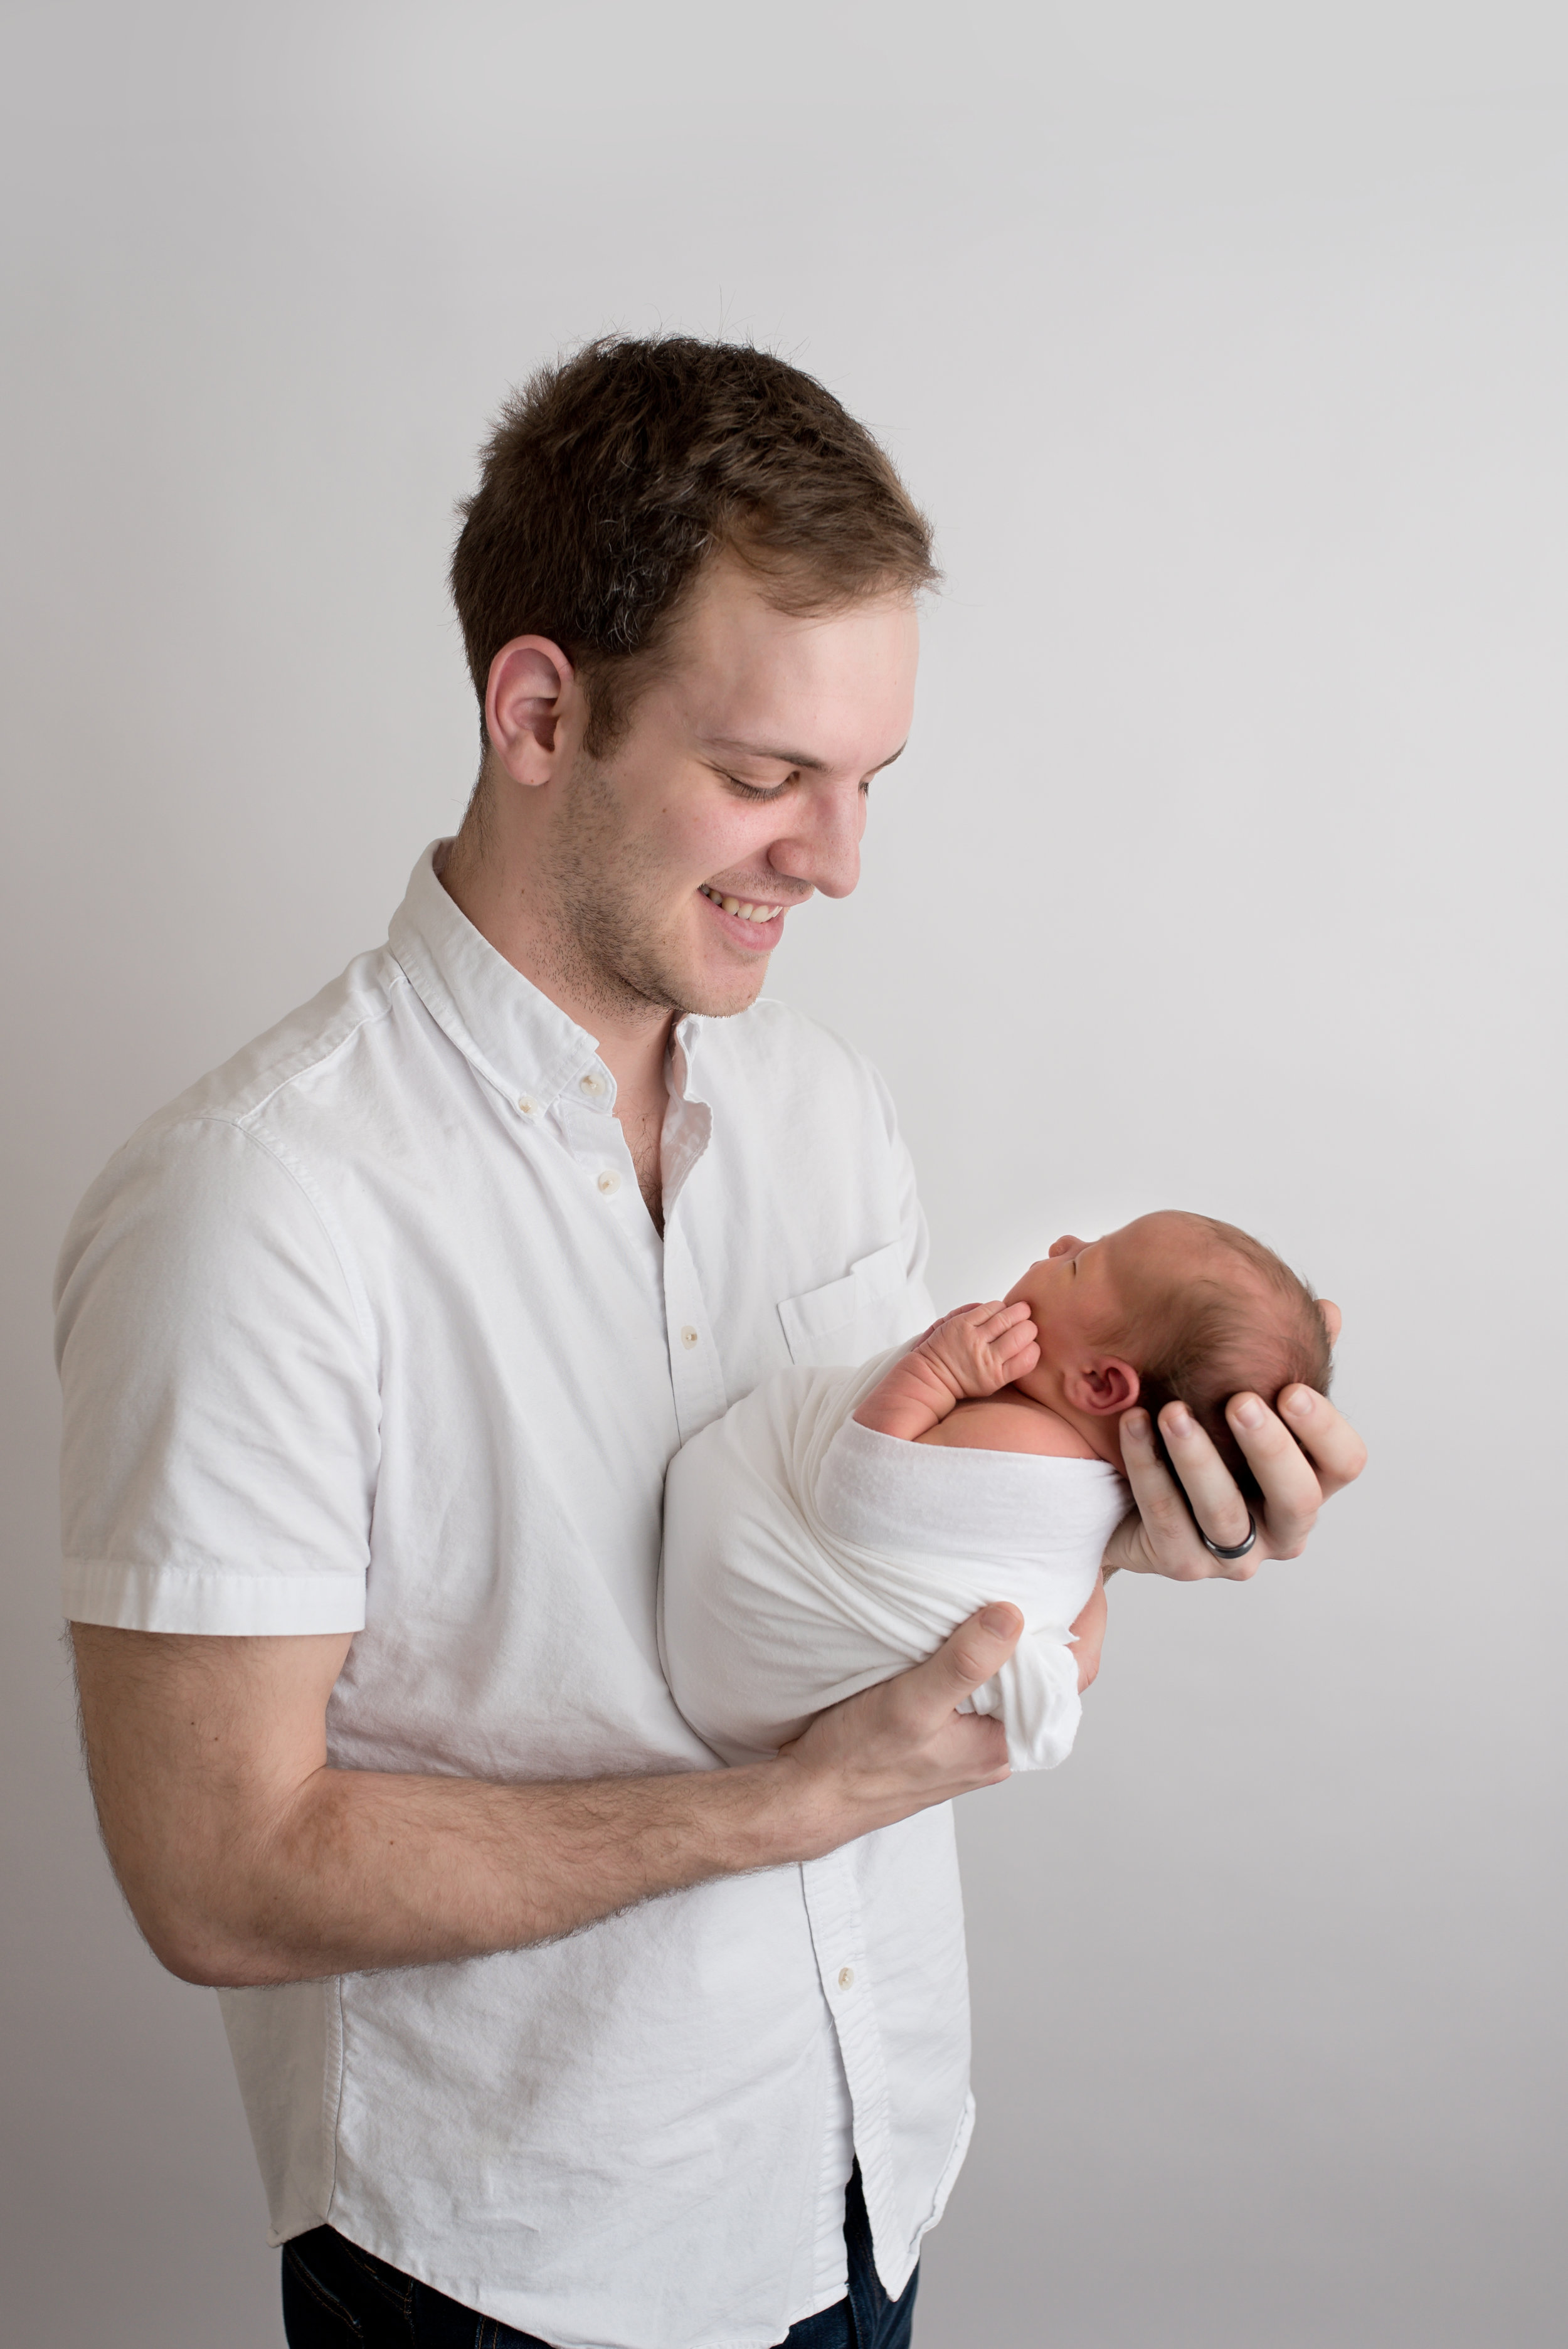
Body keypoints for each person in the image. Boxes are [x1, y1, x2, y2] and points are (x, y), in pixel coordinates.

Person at [57, 338, 1367, 2349]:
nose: (833, 863)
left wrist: (1110, 1528)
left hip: (868, 2167)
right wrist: (796, 1802)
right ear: (536, 710)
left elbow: (859, 1559)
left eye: (864, 787)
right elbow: (220, 1876)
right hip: (523, 2270)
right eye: (763, 778)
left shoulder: (826, 1108)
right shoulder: (255, 1204)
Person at [661, 1212, 1338, 1775]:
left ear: (1099, 1385)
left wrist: (933, 1370)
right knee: (1065, 1611)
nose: (1061, 1245)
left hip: (755, 1648)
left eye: (1081, 1264)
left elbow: (858, 1493)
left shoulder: (1019, 1438)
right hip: (758, 1713)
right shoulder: (1089, 1482)